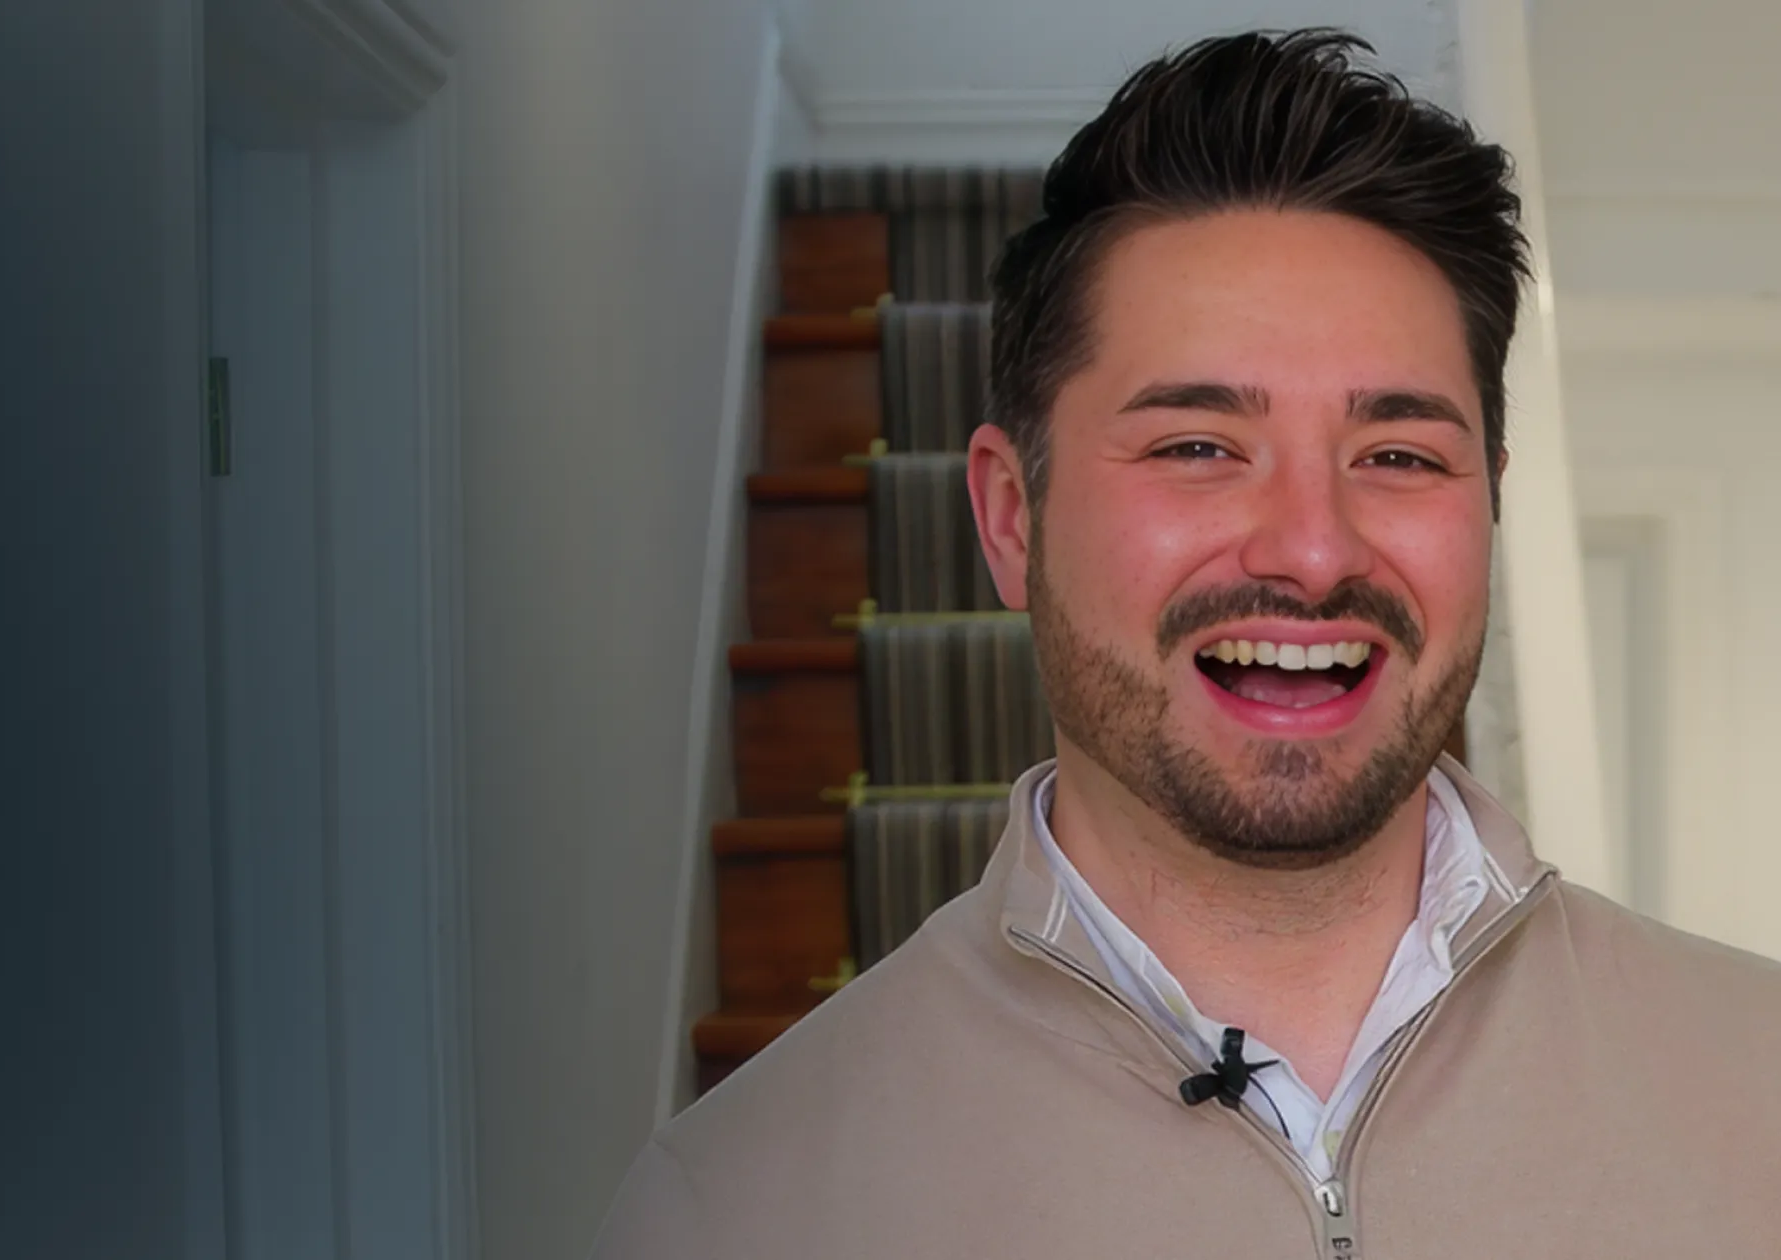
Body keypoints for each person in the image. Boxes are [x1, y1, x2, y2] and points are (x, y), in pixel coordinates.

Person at [590, 28, 1781, 1260]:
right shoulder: (735, 1210)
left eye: (1400, 457)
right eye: (1198, 447)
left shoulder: (1762, 1092)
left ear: (1488, 503)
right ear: (1011, 517)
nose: (1314, 551)